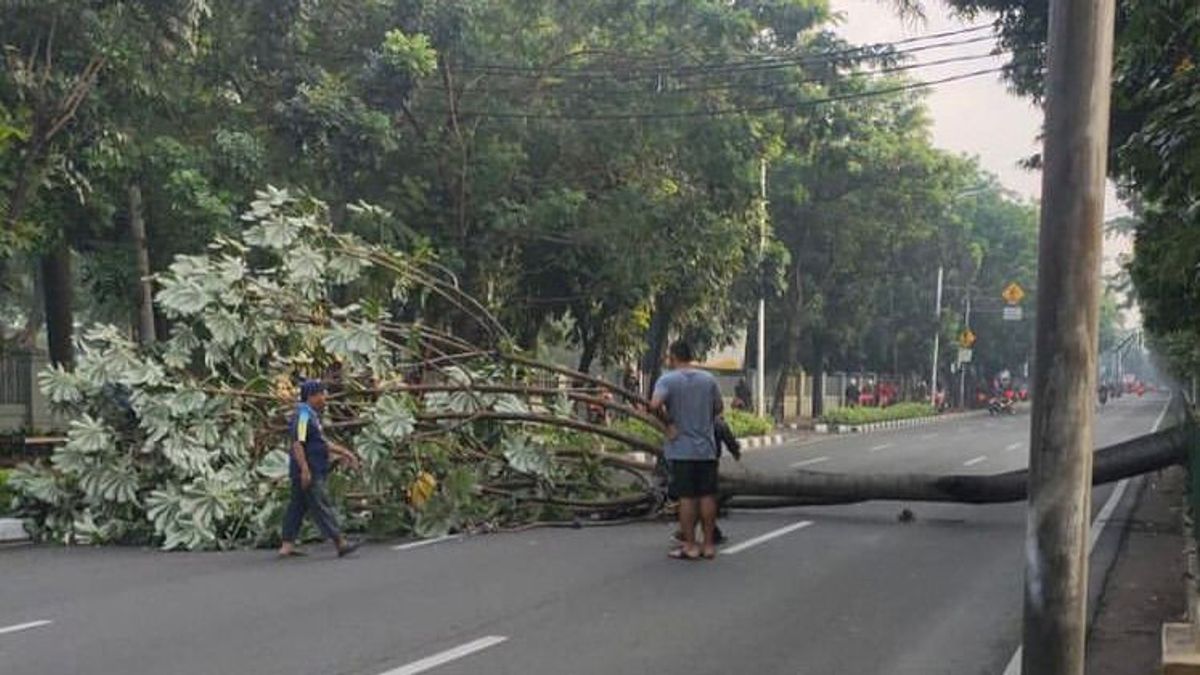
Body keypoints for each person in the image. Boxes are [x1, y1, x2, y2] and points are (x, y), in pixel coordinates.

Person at [651, 339, 723, 560]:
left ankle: (690, 546)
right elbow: (719, 408)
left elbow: (654, 405)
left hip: (681, 449)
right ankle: (709, 545)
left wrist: (669, 423)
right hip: (706, 449)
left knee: (687, 498)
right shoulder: (708, 379)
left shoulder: (667, 379)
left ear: (673, 357)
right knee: (707, 496)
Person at [278, 380, 363, 559]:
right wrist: (305, 469)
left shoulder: (311, 416)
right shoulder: (302, 415)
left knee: (297, 507)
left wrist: (345, 453)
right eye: (322, 394)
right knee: (321, 504)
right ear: (312, 396)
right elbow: (297, 444)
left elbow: (321, 442)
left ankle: (286, 545)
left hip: (311, 467)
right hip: (309, 469)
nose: (325, 398)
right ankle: (340, 542)